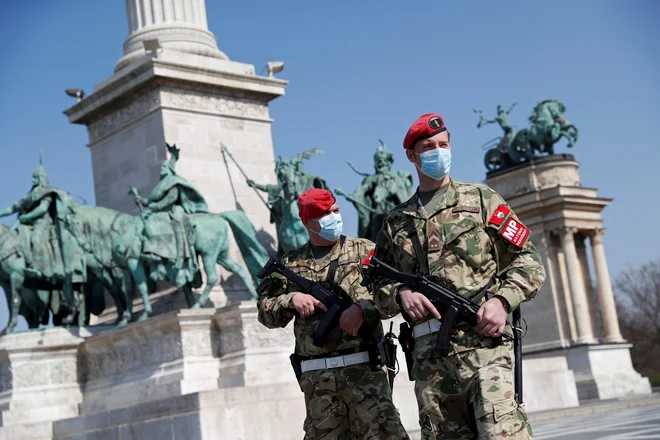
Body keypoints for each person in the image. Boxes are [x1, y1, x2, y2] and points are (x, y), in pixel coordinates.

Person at [371, 113, 546, 439]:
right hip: (430, 361)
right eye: (428, 147)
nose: (439, 152)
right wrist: (400, 295)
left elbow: (529, 262)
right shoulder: (396, 221)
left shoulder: (481, 200)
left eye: (443, 145)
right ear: (412, 155)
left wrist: (503, 302)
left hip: (486, 349)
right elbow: (373, 283)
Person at [256, 188, 409, 439]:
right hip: (319, 383)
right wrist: (291, 299)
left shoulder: (364, 251)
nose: (333, 217)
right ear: (306, 222)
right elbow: (265, 314)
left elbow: (392, 293)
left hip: (365, 373)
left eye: (335, 211)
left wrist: (362, 308)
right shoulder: (290, 264)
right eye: (324, 214)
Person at [133, 143, 208, 287]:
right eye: (161, 167)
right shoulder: (162, 184)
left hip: (174, 211)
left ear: (169, 169)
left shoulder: (172, 181)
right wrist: (143, 201)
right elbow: (154, 200)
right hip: (162, 211)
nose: (161, 169)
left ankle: (170, 256)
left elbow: (171, 198)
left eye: (164, 167)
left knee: (153, 224)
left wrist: (154, 206)